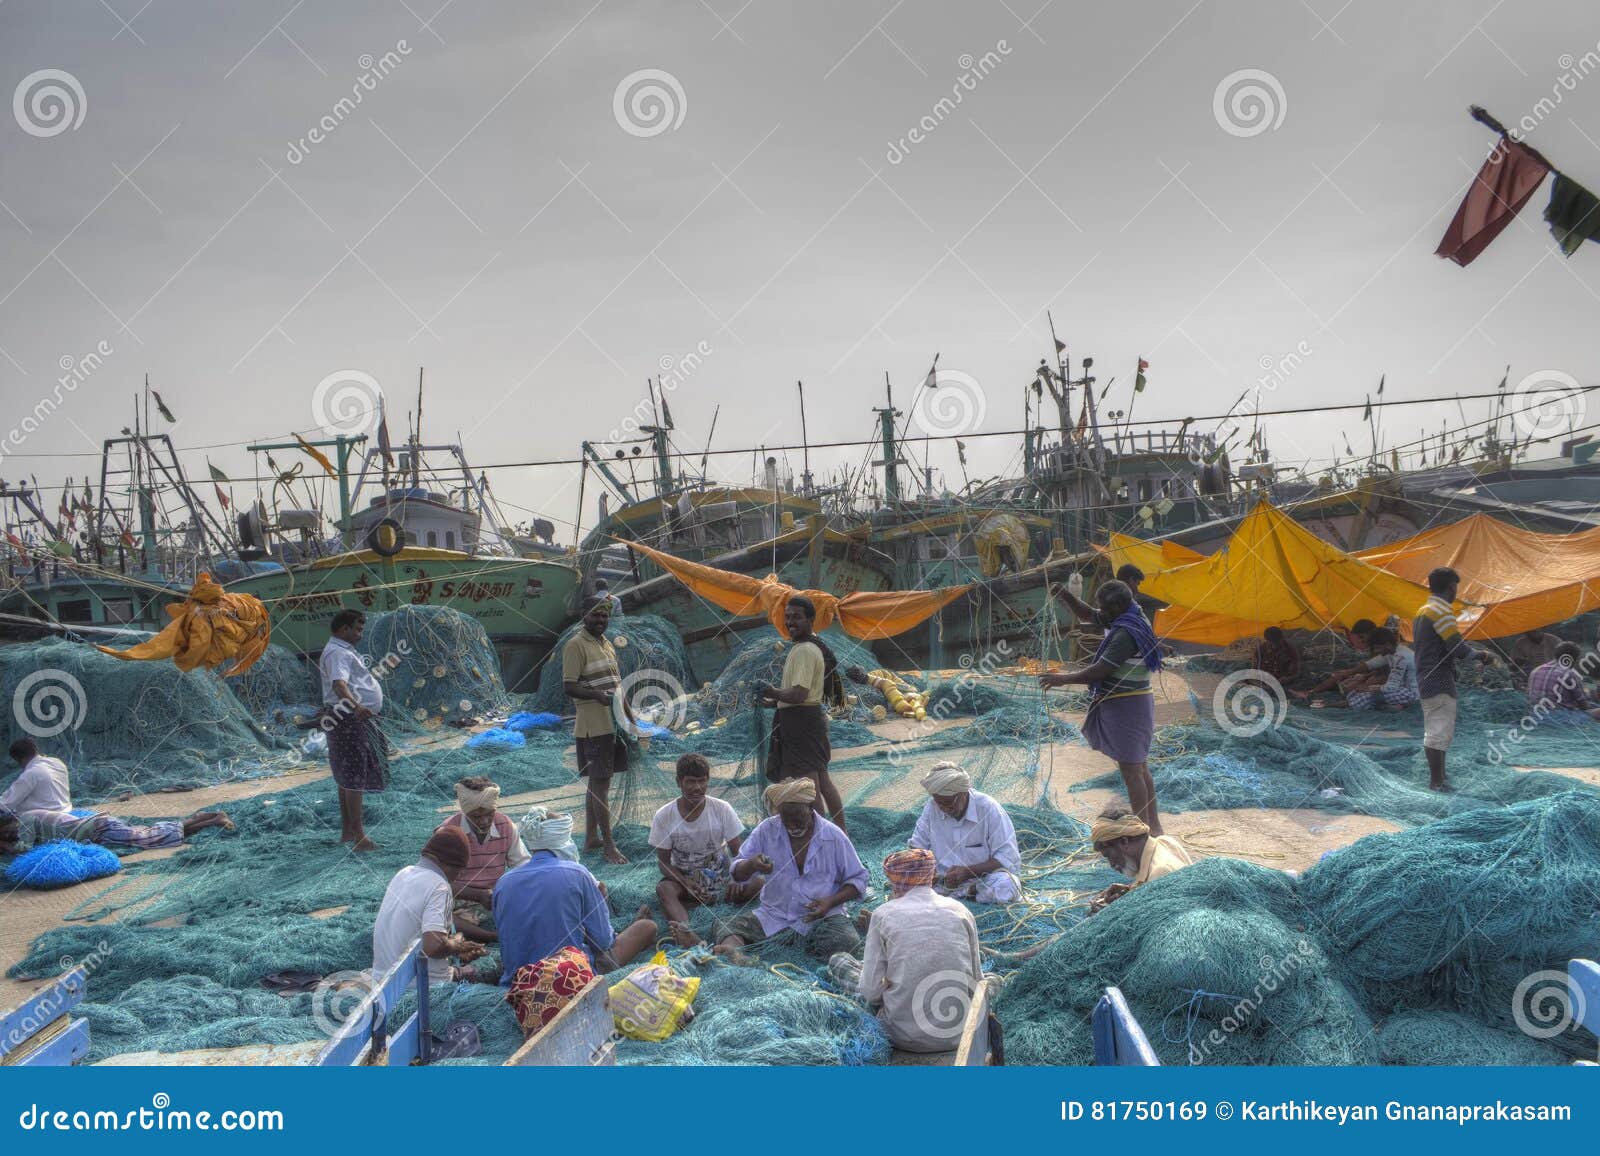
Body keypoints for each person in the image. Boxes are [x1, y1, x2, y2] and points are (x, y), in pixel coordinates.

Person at [1039, 579, 1164, 835]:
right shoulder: (1132, 614)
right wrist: (1065, 595)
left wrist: (1062, 679)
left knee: (1132, 769)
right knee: (1138, 766)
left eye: (1106, 609)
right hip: (1131, 700)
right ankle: (1153, 828)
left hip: (1129, 704)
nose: (1102, 614)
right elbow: (1089, 615)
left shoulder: (1125, 633)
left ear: (1117, 606)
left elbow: (1100, 670)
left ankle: (1142, 832)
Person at [835, 848, 983, 1054]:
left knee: (839, 961)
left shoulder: (882, 914)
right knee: (992, 978)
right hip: (957, 1034)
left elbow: (870, 993)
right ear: (931, 875)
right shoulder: (961, 911)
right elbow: (977, 982)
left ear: (894, 879)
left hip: (902, 1036)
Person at [493, 809, 658, 988]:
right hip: (568, 979)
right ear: (563, 841)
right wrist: (600, 903)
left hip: (517, 981)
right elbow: (603, 941)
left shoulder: (504, 882)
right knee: (647, 927)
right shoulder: (577, 873)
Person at [712, 778, 868, 963]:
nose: (793, 826)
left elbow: (858, 880)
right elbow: (737, 872)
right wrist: (752, 864)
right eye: (787, 820)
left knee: (846, 942)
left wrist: (830, 901)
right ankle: (737, 956)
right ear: (779, 814)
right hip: (774, 915)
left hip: (821, 918)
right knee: (726, 926)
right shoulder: (766, 830)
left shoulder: (833, 836)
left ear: (811, 808)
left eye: (798, 819)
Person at [649, 752, 759, 948]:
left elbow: (739, 853)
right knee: (664, 889)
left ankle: (708, 900)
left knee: (759, 881)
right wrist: (686, 883)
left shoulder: (722, 808)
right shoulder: (664, 815)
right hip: (685, 881)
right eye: (690, 782)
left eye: (702, 781)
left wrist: (735, 878)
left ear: (708, 781)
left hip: (721, 879)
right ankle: (686, 931)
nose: (697, 788)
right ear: (678, 782)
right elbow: (663, 862)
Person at [757, 595, 846, 829]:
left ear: (810, 620)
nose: (790, 622)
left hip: (801, 725)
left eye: (796, 617)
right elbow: (799, 695)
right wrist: (774, 702)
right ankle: (841, 834)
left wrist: (772, 691)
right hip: (808, 720)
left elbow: (799, 694)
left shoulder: (805, 650)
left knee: (809, 787)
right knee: (823, 781)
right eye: (787, 617)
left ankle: (822, 837)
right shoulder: (807, 647)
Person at [372, 827, 488, 985]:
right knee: (489, 970)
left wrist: (453, 946)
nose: (459, 876)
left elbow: (415, 936)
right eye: (460, 870)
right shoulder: (439, 886)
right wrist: (456, 946)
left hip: (381, 981)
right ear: (447, 863)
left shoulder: (403, 873)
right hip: (420, 987)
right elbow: (433, 946)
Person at [562, 597, 630, 864]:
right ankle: (609, 846)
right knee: (600, 786)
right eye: (595, 616)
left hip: (613, 724)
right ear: (583, 616)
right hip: (594, 727)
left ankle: (591, 837)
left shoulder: (606, 644)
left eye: (604, 616)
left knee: (598, 783)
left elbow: (617, 684)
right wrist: (598, 696)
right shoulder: (575, 645)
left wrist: (629, 716)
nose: (600, 621)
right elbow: (569, 686)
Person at [1414, 566, 1491, 792]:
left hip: (1426, 673)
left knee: (1436, 727)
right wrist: (1480, 656)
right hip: (1437, 677)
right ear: (1451, 587)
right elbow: (1456, 646)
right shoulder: (1441, 610)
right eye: (1456, 587)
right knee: (1439, 729)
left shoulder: (1423, 610)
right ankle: (1436, 782)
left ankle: (1440, 776)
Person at [319, 609, 387, 852]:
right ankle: (359, 836)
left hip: (348, 718)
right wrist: (357, 706)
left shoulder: (342, 650)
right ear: (343, 629)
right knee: (353, 776)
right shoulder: (337, 652)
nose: (360, 634)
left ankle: (348, 832)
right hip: (347, 719)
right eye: (357, 629)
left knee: (346, 777)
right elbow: (339, 684)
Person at [909, 761, 1021, 904]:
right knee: (907, 884)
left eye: (948, 803)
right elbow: (917, 848)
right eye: (938, 802)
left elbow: (1008, 858)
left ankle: (968, 893)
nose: (943, 808)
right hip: (941, 883)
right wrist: (928, 872)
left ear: (963, 794)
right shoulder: (932, 807)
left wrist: (968, 871)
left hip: (980, 881)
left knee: (1008, 884)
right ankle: (957, 896)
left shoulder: (989, 809)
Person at [436, 776, 530, 943]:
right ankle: (491, 936)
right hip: (458, 899)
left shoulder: (505, 826)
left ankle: (479, 931)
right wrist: (476, 895)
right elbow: (437, 882)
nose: (485, 821)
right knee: (438, 917)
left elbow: (522, 867)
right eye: (476, 816)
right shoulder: (448, 832)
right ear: (465, 812)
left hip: (494, 897)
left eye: (489, 814)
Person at [1086, 805, 1192, 914]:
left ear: (1124, 841)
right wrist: (1131, 890)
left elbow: (1155, 923)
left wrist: (1107, 914)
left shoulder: (1160, 873)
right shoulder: (1164, 841)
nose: (1112, 864)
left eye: (1108, 855)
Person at [0, 806, 232, 855]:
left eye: (8, 832)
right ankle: (203, 818)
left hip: (98, 828)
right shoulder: (30, 817)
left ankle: (212, 820)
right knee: (153, 835)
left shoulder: (26, 820)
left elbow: (24, 847)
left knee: (151, 838)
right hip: (99, 827)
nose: (12, 834)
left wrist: (4, 845)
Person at [1343, 627, 1420, 711]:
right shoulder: (1393, 652)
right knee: (1354, 694)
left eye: (1377, 648)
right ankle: (1396, 705)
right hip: (1400, 689)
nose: (1376, 651)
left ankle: (1330, 705)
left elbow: (1391, 687)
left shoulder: (1400, 657)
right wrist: (1349, 672)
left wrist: (1368, 688)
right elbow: (1372, 664)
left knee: (1366, 697)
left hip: (1411, 693)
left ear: (1387, 645)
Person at [1527, 642, 1600, 720]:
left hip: (1536, 717)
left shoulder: (1535, 670)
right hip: (1562, 719)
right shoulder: (1569, 674)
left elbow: (1530, 696)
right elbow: (1584, 706)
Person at [1, 739, 71, 818]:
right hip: (65, 812)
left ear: (20, 759)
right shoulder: (58, 763)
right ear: (36, 750)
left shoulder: (30, 774)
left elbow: (5, 804)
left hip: (44, 818)